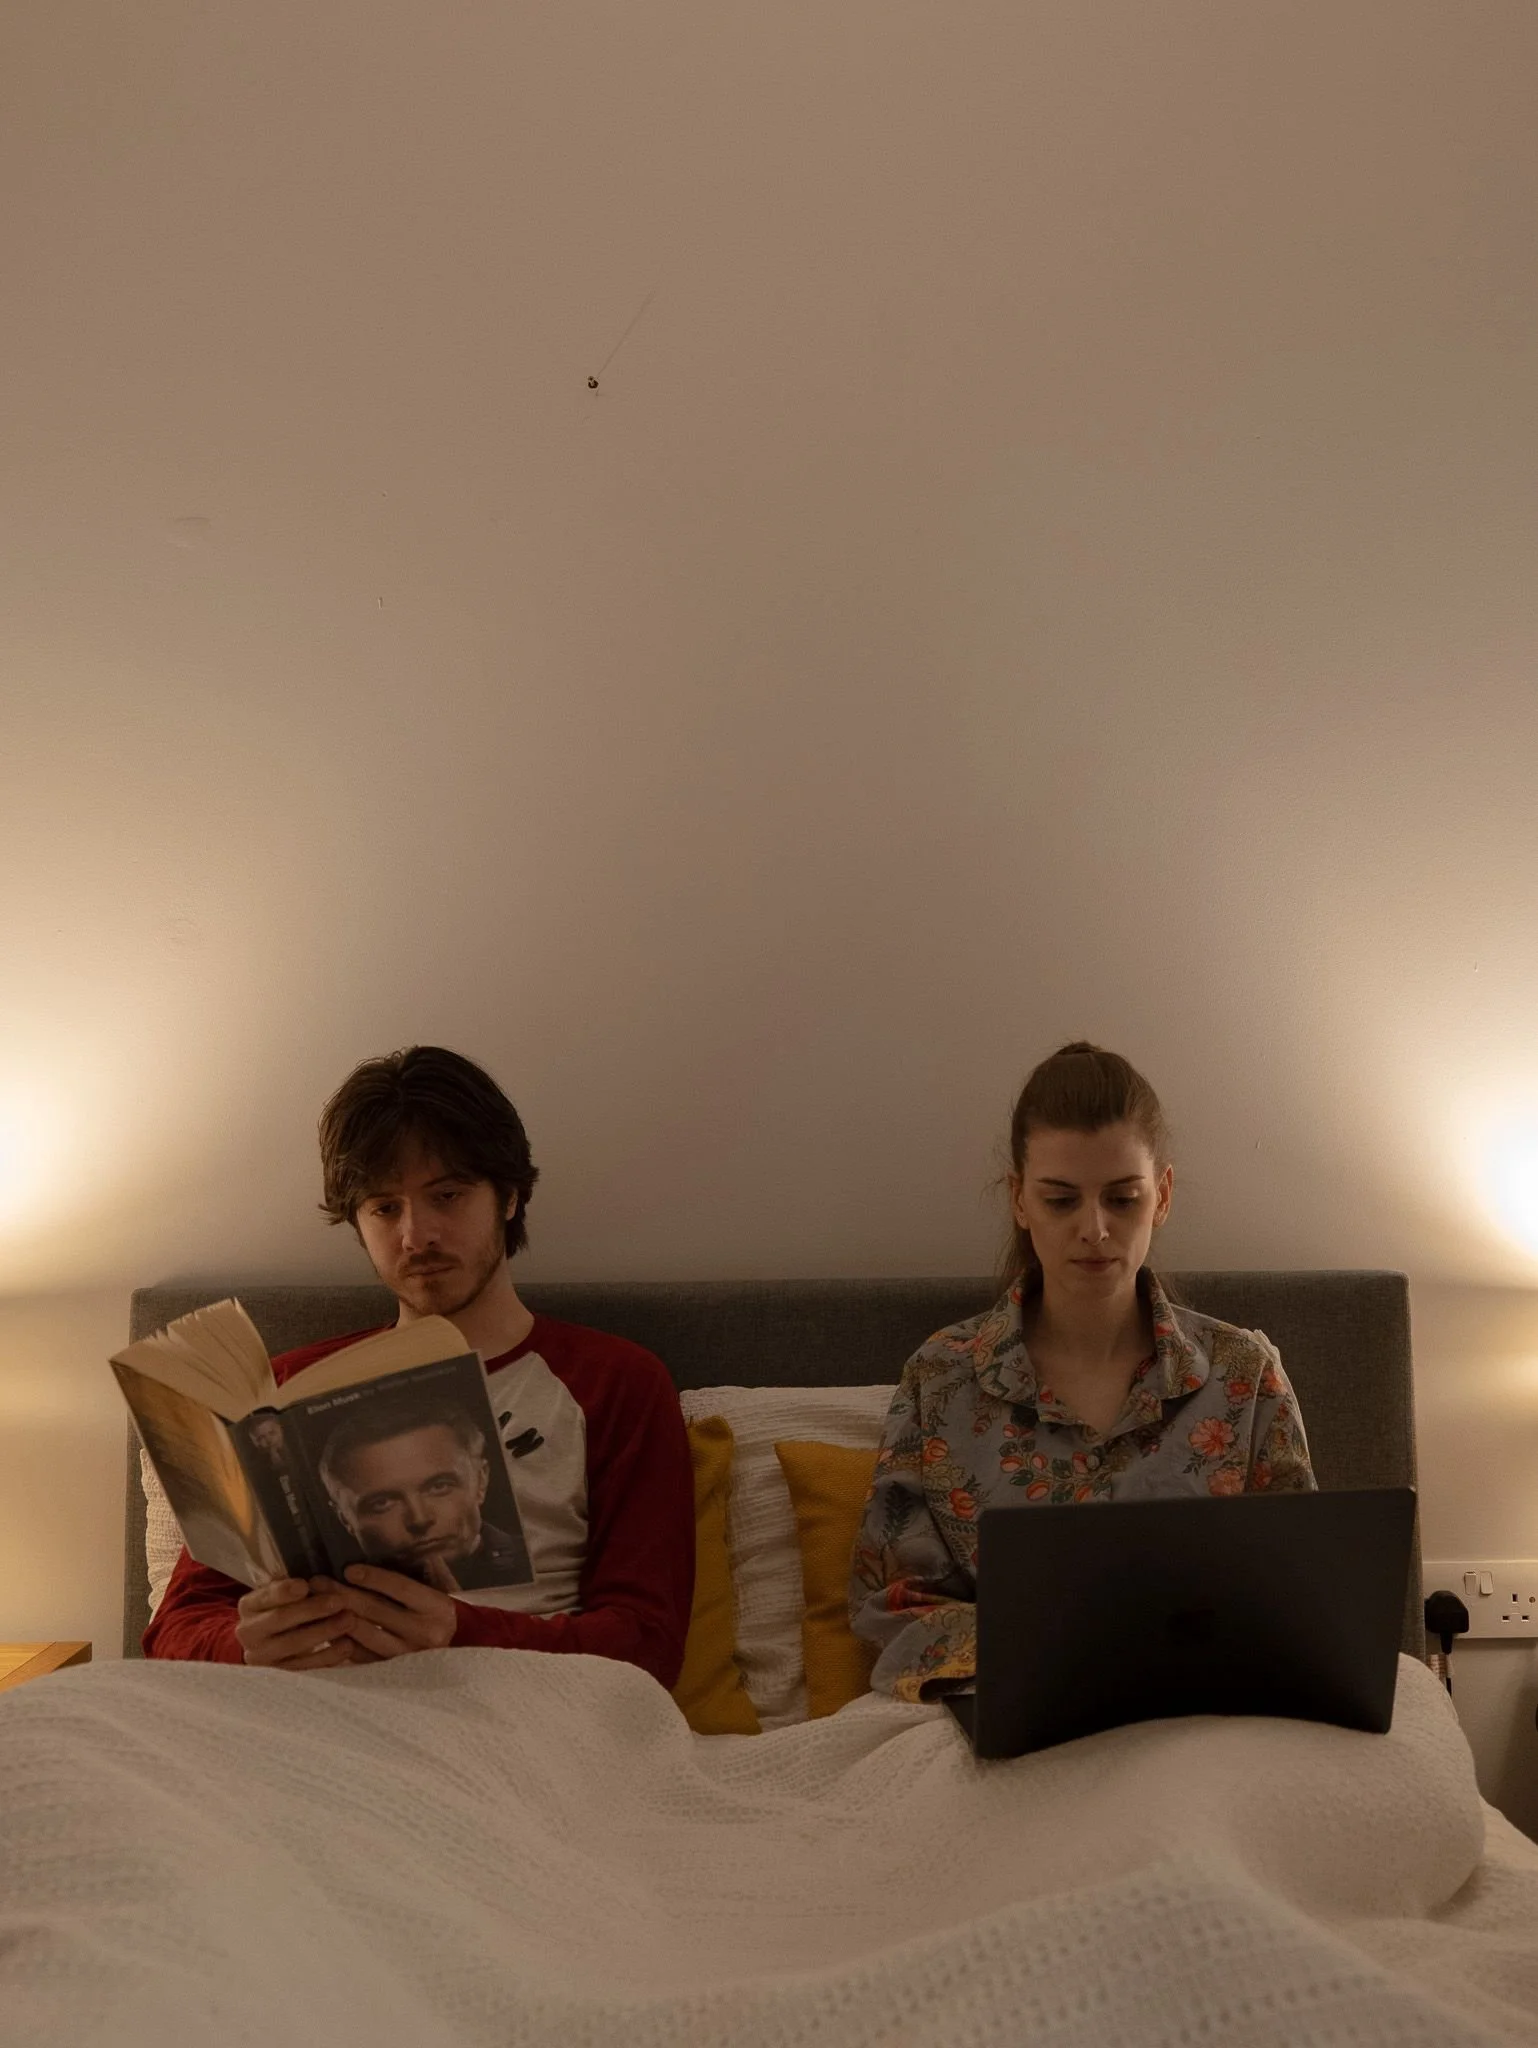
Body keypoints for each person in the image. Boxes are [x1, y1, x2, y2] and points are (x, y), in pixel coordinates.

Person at [144, 1045, 695, 1685]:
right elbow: (174, 1630)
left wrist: (463, 1633)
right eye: (384, 1207)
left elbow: (648, 1644)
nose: (416, 1236)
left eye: (448, 1195)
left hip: (516, 1709)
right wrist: (246, 1644)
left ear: (509, 1197)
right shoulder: (281, 1391)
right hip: (302, 1709)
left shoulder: (615, 1382)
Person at [849, 1042, 1314, 1702]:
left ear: (1163, 1196)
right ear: (1019, 1200)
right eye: (1062, 1201)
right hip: (1010, 1713)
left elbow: (1302, 1592)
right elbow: (890, 1605)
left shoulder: (1243, 1376)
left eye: (1122, 1199)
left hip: (1204, 1719)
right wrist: (1048, 1651)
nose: (1094, 1230)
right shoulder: (941, 1378)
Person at [315, 1401, 530, 1593]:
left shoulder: (539, 1560)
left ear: (481, 1481)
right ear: (345, 1519)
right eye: (382, 1503)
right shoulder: (333, 1597)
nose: (419, 1519)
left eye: (439, 1487)